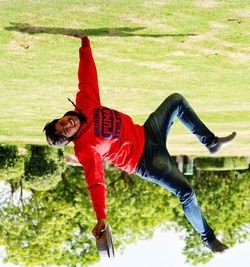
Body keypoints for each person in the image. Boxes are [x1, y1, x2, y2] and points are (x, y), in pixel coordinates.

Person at [43, 35, 236, 253]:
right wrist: (100, 216)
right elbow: (96, 181)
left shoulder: (85, 106)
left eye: (62, 122)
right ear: (69, 138)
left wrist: (85, 44)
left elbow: (87, 79)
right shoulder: (84, 148)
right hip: (146, 161)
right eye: (66, 130)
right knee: (186, 192)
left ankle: (211, 142)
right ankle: (208, 239)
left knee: (176, 101)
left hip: (148, 133)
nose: (68, 123)